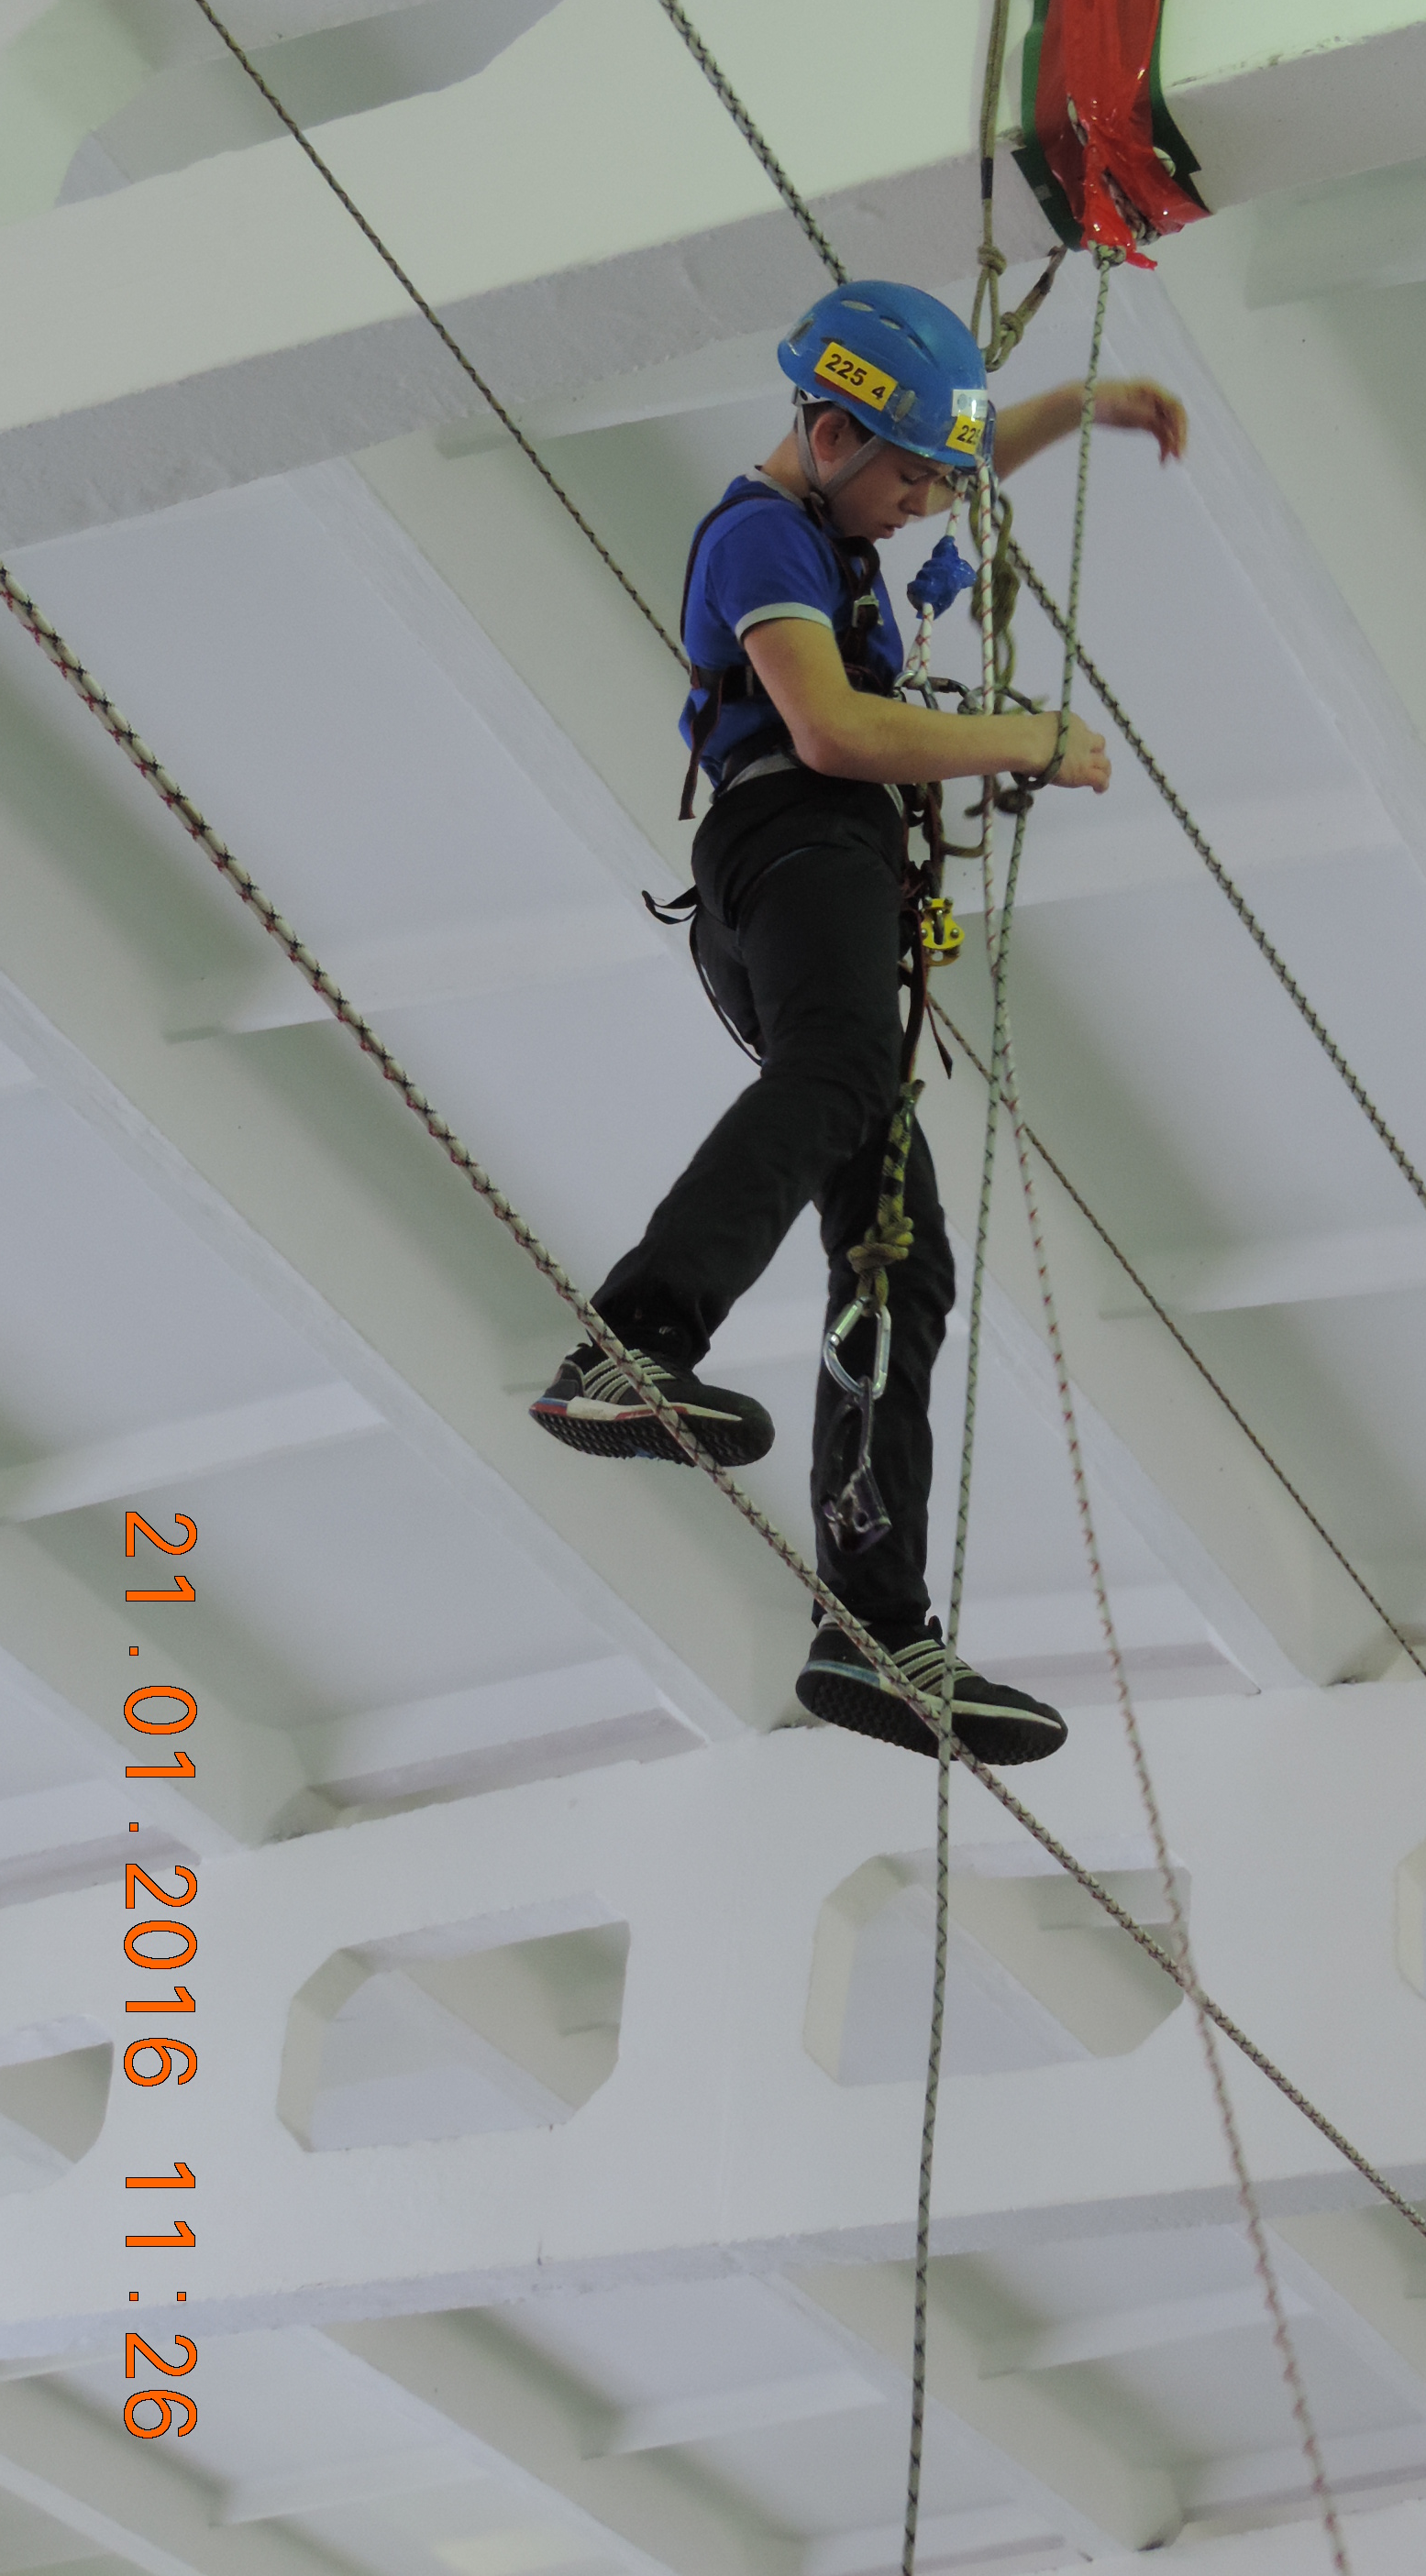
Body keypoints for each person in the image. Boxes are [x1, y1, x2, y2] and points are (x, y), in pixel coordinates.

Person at [529, 280, 1186, 1762]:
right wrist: (1026, 738)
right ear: (828, 435)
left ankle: (874, 1629)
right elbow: (831, 731)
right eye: (908, 480)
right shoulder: (761, 535)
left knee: (903, 1259)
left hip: (837, 877)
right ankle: (634, 1341)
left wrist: (1082, 408)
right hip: (794, 845)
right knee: (834, 1073)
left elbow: (951, 451)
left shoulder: (838, 511)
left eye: (936, 484)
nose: (923, 508)